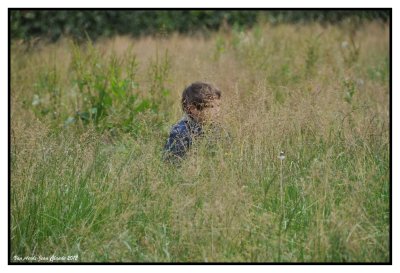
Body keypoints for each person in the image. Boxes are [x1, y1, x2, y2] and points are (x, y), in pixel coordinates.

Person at [163, 81, 222, 161]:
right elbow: (172, 164)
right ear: (192, 109)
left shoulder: (218, 129)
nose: (217, 110)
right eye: (211, 106)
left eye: (218, 105)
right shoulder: (180, 133)